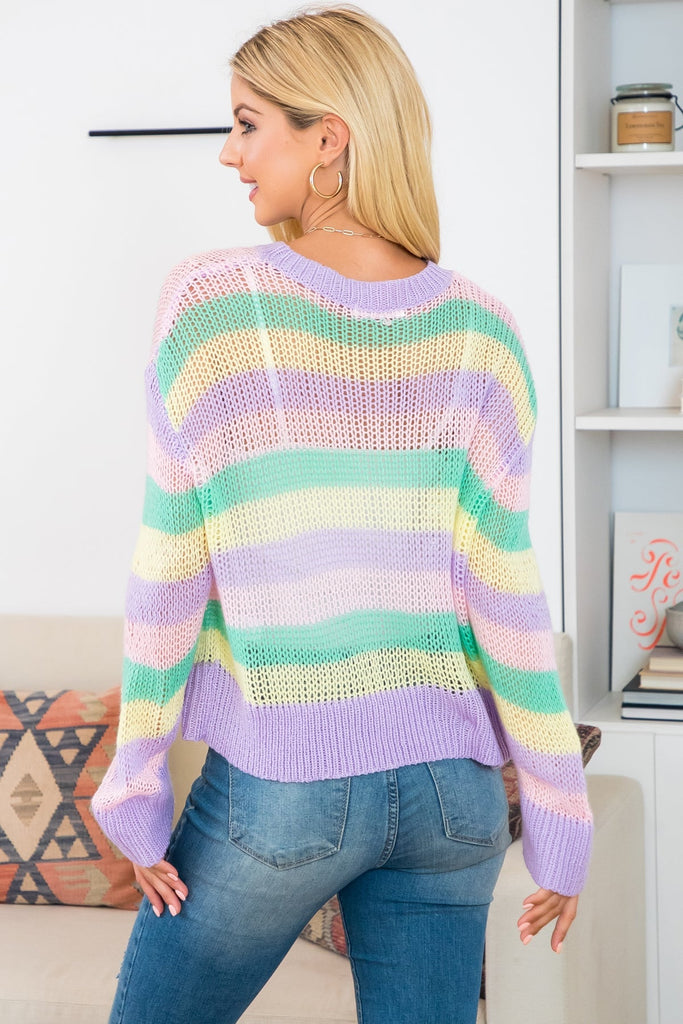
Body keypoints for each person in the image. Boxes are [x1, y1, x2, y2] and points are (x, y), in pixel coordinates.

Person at [90, 5, 594, 1023]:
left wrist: (133, 784)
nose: (229, 153)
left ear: (327, 139)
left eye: (247, 124)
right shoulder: (482, 332)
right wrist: (557, 812)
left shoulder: (210, 307)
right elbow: (505, 594)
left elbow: (167, 572)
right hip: (453, 798)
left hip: (286, 788)